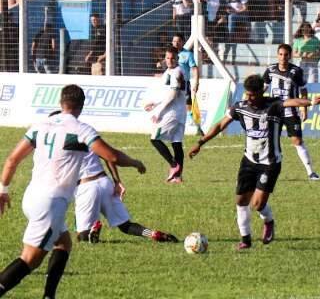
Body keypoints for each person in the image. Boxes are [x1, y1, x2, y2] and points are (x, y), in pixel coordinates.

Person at [0, 84, 146, 298]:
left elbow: (12, 159)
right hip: (51, 202)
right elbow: (112, 156)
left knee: (63, 244)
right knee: (30, 259)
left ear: (61, 102)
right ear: (81, 105)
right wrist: (136, 163)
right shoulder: (80, 129)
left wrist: (3, 189)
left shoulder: (39, 126)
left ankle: (49, 295)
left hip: (31, 197)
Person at [188, 74, 320, 250]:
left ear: (262, 91)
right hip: (249, 160)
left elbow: (293, 102)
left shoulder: (273, 105)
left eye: (252, 94)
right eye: (247, 94)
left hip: (270, 163)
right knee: (241, 201)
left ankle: (269, 221)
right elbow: (220, 125)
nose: (249, 98)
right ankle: (245, 240)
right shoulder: (241, 107)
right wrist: (200, 143)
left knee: (257, 204)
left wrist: (311, 102)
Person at [41, 111, 178, 245]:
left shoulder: (56, 145)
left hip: (86, 188)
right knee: (125, 226)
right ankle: (154, 234)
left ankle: (92, 231)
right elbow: (109, 156)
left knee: (82, 238)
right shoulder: (84, 135)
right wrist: (117, 181)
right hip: (105, 183)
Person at [264, 44, 320, 180]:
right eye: (280, 54)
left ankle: (310, 172)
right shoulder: (270, 70)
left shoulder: (296, 71)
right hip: (274, 111)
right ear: (277, 55)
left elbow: (303, 90)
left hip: (291, 111)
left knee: (297, 141)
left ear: (290, 56)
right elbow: (264, 88)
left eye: (285, 55)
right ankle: (267, 172)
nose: (283, 57)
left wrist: (304, 108)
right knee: (270, 142)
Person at [144, 47, 187, 183]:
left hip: (173, 113)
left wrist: (159, 112)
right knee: (176, 143)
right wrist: (155, 103)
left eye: (172, 58)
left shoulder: (176, 72)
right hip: (180, 112)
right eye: (167, 58)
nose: (170, 60)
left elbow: (172, 96)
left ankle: (174, 165)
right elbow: (167, 93)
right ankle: (177, 177)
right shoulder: (171, 71)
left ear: (177, 58)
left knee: (154, 138)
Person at [171, 33, 202, 134]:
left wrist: (196, 82)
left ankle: (197, 127)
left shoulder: (188, 54)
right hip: (171, 83)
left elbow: (194, 68)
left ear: (183, 42)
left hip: (184, 84)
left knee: (188, 105)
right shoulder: (170, 54)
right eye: (174, 41)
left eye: (178, 41)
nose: (176, 43)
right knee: (171, 103)